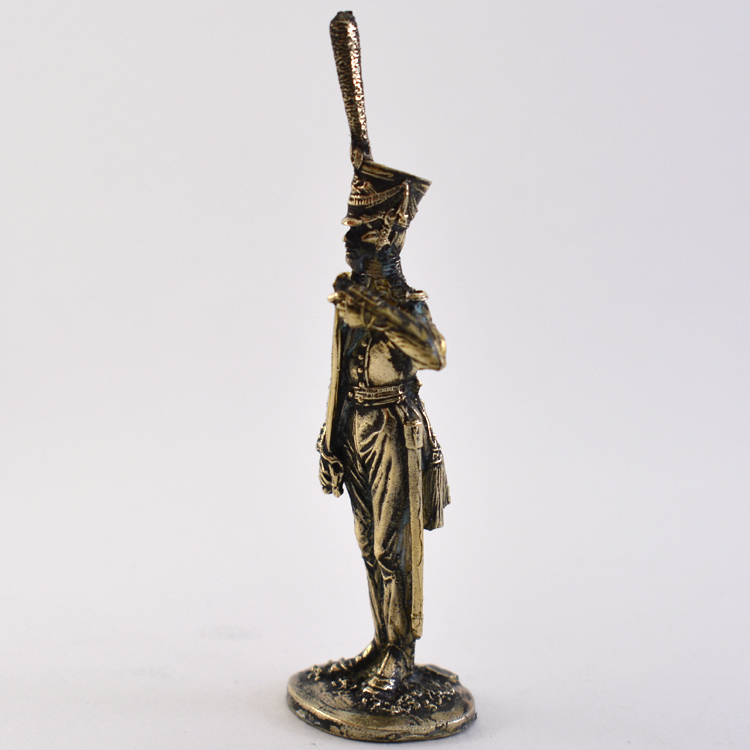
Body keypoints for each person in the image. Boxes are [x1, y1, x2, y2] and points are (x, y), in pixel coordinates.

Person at [316, 157, 451, 695]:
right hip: (355, 427)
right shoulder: (349, 298)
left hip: (394, 430)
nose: (352, 243)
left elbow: (433, 355)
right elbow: (337, 374)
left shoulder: (404, 306)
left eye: (365, 234)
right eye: (352, 232)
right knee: (369, 548)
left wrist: (379, 311)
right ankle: (380, 642)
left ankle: (400, 654)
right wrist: (330, 439)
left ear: (389, 240)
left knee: (391, 547)